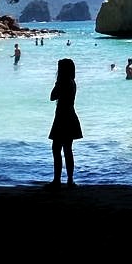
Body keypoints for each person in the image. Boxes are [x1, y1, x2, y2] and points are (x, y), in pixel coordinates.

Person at [49, 58, 83, 188]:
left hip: (62, 117)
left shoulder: (62, 83)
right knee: (68, 149)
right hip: (70, 116)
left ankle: (57, 180)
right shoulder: (72, 82)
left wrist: (57, 83)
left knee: (56, 149)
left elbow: (52, 97)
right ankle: (70, 180)